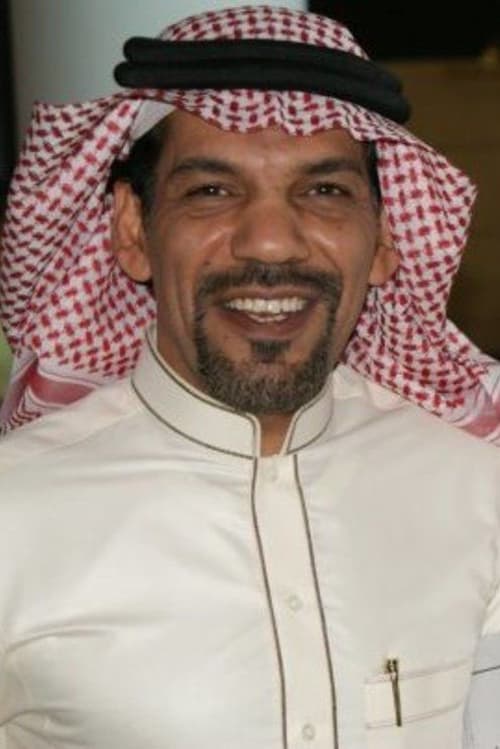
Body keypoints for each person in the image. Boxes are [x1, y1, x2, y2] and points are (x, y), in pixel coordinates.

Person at [0, 5, 499, 748]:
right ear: (132, 230)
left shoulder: (476, 490)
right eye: (212, 190)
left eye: (324, 191)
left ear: (385, 237)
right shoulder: (16, 513)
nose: (270, 241)